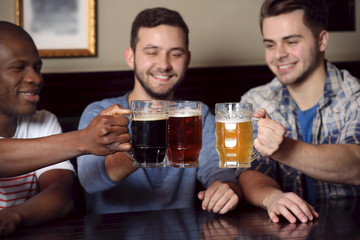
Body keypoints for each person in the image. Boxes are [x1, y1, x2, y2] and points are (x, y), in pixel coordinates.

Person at [77, 7, 242, 215]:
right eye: (152, 52)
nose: (164, 65)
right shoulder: (100, 113)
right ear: (131, 57)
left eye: (175, 54)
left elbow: (220, 174)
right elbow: (89, 181)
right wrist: (144, 143)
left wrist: (227, 190)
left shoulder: (198, 115)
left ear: (188, 59)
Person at [0, 21, 131, 236]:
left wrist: (13, 216)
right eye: (18, 67)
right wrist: (84, 140)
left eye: (38, 68)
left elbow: (61, 197)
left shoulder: (44, 121)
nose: (35, 78)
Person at [237, 0, 360, 224]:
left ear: (322, 40)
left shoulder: (355, 96)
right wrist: (273, 199)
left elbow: (356, 163)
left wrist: (284, 148)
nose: (278, 54)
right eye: (270, 45)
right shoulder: (255, 101)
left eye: (291, 42)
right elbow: (250, 171)